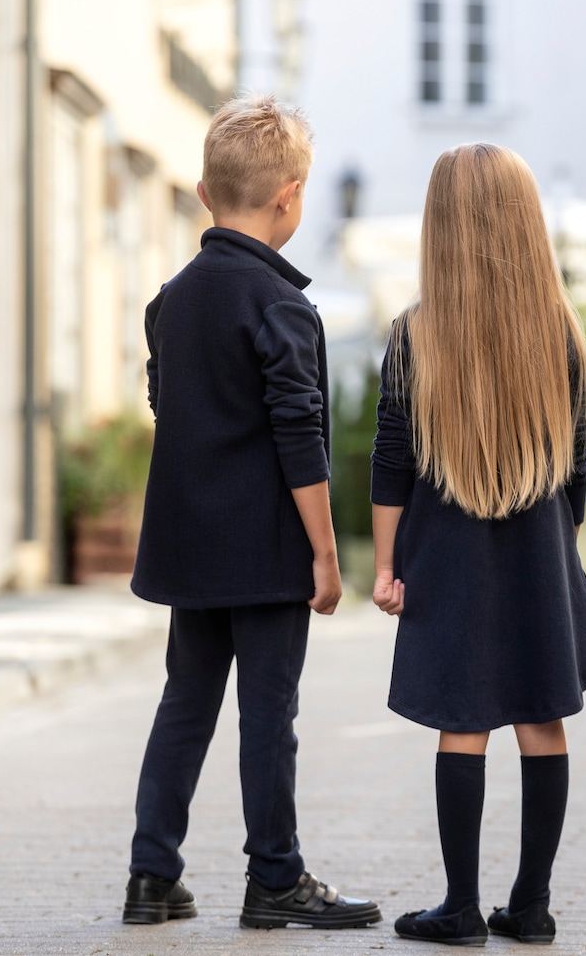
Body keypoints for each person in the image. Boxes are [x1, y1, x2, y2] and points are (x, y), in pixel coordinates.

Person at [123, 95, 381, 932]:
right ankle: (275, 875)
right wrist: (327, 553)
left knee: (185, 704)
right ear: (291, 196)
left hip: (189, 546)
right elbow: (299, 436)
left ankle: (151, 875)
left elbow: (171, 408)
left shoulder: (171, 301)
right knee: (269, 713)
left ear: (203, 193)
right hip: (267, 548)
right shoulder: (280, 304)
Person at [371, 143, 586, 947]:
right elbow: (576, 468)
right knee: (543, 719)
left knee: (462, 719)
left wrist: (386, 567)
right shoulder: (560, 334)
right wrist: (557, 552)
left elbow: (390, 464)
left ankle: (461, 907)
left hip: (449, 561)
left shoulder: (414, 335)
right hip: (540, 555)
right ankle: (531, 906)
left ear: (440, 227)